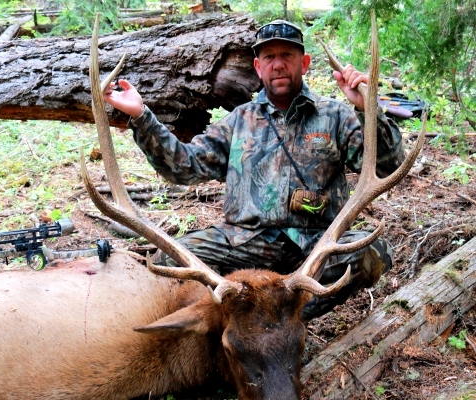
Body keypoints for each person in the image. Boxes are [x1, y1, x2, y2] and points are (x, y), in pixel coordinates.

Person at [103, 20, 404, 321]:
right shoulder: (239, 121)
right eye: (270, 58)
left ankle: (286, 318)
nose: (278, 65)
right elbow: (185, 165)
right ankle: (232, 319)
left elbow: (388, 164)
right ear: (258, 68)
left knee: (373, 253)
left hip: (317, 243)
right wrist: (141, 116)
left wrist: (368, 110)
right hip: (245, 241)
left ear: (305, 63)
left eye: (287, 55)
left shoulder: (335, 116)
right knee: (169, 257)